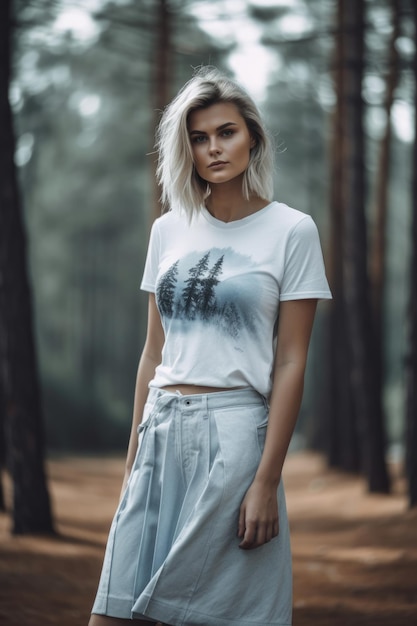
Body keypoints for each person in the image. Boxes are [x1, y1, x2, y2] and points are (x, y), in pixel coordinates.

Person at [89, 66, 331, 626]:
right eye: (199, 138)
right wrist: (133, 462)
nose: (214, 148)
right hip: (161, 428)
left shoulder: (292, 231)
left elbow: (292, 360)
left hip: (235, 437)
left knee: (218, 612)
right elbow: (153, 355)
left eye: (226, 132)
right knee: (115, 612)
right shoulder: (168, 230)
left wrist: (267, 478)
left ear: (254, 137)